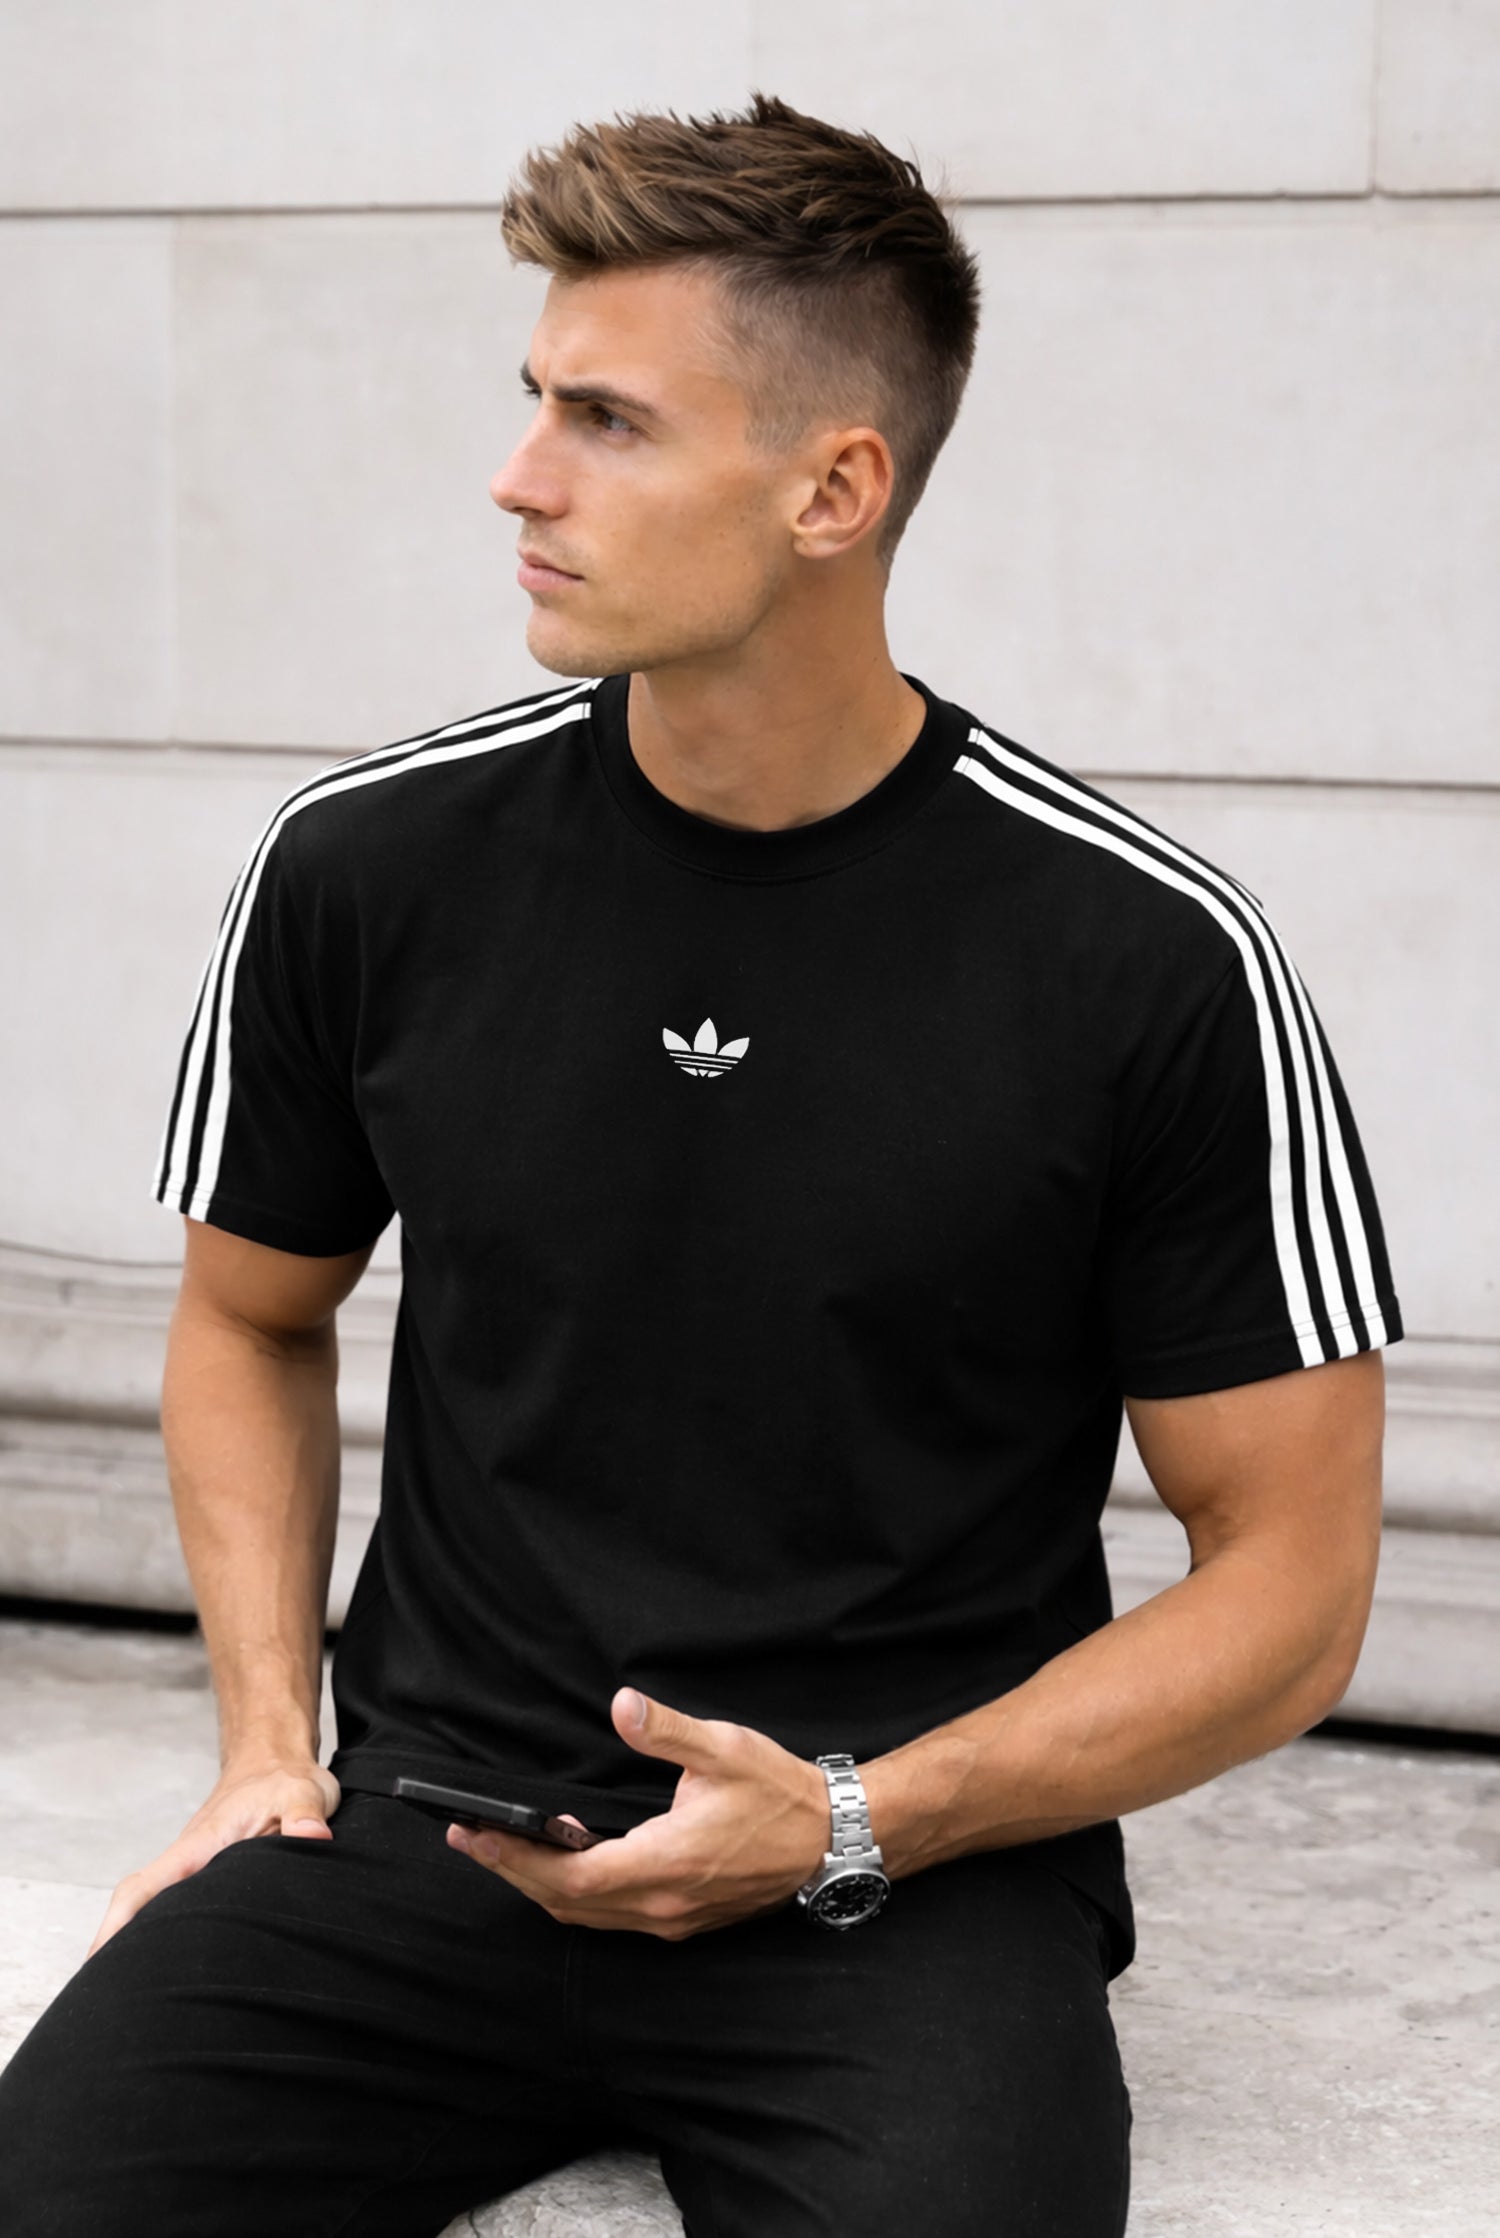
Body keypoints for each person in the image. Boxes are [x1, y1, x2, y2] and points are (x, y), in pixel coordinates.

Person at [0, 92, 1399, 2238]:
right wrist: (269, 1744)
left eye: (608, 422)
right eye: (534, 398)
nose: (518, 475)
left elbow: (1292, 1588)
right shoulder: (369, 868)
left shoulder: (1144, 957)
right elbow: (250, 1318)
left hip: (897, 1881)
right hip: (433, 1829)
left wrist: (858, 1815)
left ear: (836, 488)